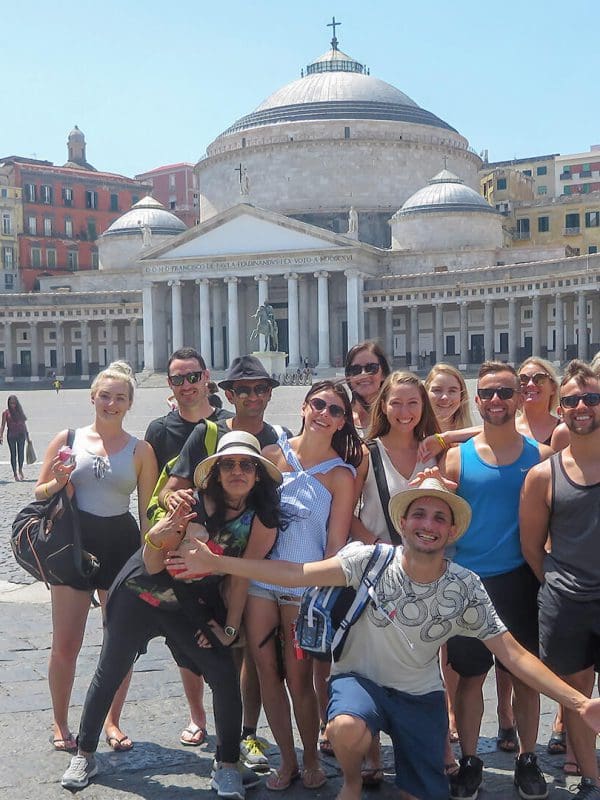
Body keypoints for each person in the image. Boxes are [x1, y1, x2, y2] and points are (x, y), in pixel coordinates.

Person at [167, 469, 600, 800]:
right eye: (419, 514)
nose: (427, 524)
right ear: (404, 522)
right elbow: (296, 573)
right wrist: (222, 564)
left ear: (450, 531)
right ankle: (352, 782)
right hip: (361, 683)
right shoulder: (368, 560)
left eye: (438, 517)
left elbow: (514, 655)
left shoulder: (464, 586)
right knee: (346, 727)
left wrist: (579, 703)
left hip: (421, 696)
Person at [60, 431, 284, 798]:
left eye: (247, 465)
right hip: (139, 596)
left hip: (190, 609)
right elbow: (150, 564)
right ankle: (85, 753)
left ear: (259, 474)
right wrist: (158, 535)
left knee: (224, 675)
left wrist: (228, 627)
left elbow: (244, 575)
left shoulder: (261, 519)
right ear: (216, 471)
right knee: (110, 671)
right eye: (228, 464)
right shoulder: (190, 502)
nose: (238, 471)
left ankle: (227, 763)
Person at [239, 380, 361, 791]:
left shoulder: (341, 475)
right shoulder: (271, 457)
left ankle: (311, 756)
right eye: (319, 405)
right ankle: (286, 759)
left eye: (335, 410)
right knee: (265, 672)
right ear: (305, 408)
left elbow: (335, 544)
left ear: (344, 421)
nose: (325, 413)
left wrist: (320, 593)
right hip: (261, 580)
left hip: (301, 587)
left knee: (300, 678)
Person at [442, 361, 553, 800]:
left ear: (519, 397)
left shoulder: (540, 457)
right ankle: (470, 759)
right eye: (487, 393)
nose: (495, 401)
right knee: (470, 678)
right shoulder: (457, 456)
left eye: (504, 392)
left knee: (525, 678)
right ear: (478, 398)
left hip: (520, 580)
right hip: (468, 582)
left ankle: (528, 758)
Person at [36, 361, 158, 754]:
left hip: (120, 546)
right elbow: (40, 493)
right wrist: (58, 479)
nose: (111, 403)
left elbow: (146, 512)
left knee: (119, 641)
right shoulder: (68, 438)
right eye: (105, 395)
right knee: (66, 643)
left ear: (129, 404)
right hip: (74, 544)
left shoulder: (142, 450)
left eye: (120, 397)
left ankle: (112, 719)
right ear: (93, 397)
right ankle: (60, 721)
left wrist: (148, 558)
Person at [349, 370, 440, 782]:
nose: (404, 412)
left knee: (421, 660)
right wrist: (383, 555)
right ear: (382, 406)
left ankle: (421, 749)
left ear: (424, 408)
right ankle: (370, 756)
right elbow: (347, 514)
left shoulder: (434, 451)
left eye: (413, 403)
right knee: (371, 663)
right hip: (378, 570)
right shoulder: (367, 452)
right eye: (396, 403)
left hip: (423, 572)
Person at [145, 347, 232, 747]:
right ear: (169, 384)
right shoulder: (159, 430)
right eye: (177, 379)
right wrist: (152, 545)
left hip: (224, 548)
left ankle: (235, 721)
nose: (186, 385)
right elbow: (151, 495)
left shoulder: (227, 426)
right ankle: (197, 716)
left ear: (207, 377)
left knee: (228, 634)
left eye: (192, 376)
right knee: (183, 640)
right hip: (177, 547)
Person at [521, 359, 600, 798]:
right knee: (577, 698)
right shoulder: (541, 475)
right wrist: (556, 582)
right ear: (561, 408)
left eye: (591, 398)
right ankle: (590, 777)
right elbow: (532, 547)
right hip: (567, 600)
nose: (581, 407)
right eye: (571, 401)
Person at [344, 341, 391, 433]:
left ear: (383, 374)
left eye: (371, 368)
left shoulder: (395, 416)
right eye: (355, 369)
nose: (363, 374)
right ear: (348, 376)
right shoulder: (339, 419)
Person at [516, 357, 560, 445]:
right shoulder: (506, 430)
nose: (530, 384)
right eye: (523, 379)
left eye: (539, 379)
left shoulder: (566, 430)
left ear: (553, 388)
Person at [0, 394, 30, 481]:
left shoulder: (20, 412)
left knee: (21, 454)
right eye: (11, 403)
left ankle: (20, 469)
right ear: (8, 403)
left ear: (17, 403)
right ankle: (15, 473)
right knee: (13, 454)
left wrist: (28, 437)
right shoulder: (5, 413)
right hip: (11, 436)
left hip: (21, 435)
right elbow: (2, 425)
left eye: (14, 403)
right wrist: (1, 436)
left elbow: (24, 425)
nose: (13, 405)